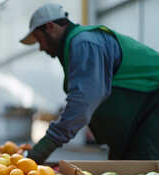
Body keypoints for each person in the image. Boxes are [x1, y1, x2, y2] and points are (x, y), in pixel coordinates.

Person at [20, 3, 159, 163]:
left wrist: (39, 152)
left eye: (39, 38)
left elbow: (82, 103)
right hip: (137, 116)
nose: (40, 48)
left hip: (152, 103)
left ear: (50, 27)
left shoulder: (84, 43)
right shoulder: (76, 45)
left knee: (142, 167)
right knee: (123, 170)